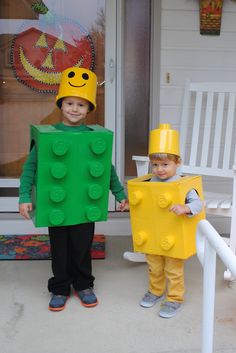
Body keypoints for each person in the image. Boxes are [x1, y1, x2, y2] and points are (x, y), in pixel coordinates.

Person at [19, 67, 128, 312]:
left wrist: (119, 194)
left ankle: (83, 284)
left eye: (81, 105)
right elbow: (30, 169)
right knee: (59, 249)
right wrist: (25, 196)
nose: (74, 109)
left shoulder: (93, 138)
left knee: (81, 247)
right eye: (70, 103)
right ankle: (59, 287)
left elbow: (104, 169)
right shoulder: (49, 137)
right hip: (57, 207)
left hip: (83, 207)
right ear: (61, 104)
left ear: (89, 109)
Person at [129, 124, 203, 318]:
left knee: (173, 269)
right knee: (154, 266)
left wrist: (185, 207)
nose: (159, 169)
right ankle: (155, 291)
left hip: (173, 236)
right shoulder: (150, 182)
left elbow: (198, 205)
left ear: (177, 162)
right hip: (153, 235)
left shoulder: (183, 184)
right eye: (155, 165)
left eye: (165, 164)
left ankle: (175, 298)